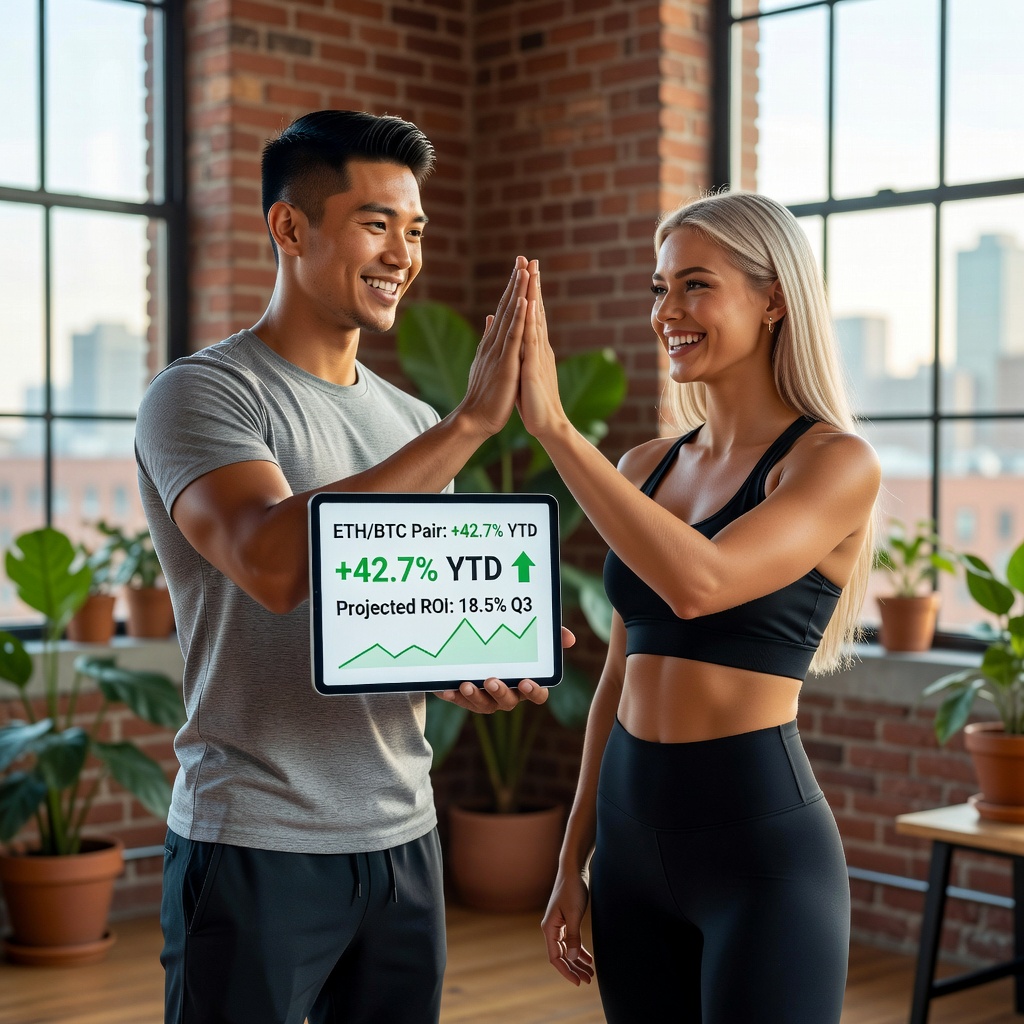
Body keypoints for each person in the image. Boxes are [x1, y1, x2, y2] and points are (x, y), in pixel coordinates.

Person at [135, 110, 569, 1024]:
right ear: (290, 227)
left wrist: (474, 661)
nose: (403, 255)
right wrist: (470, 427)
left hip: (403, 839)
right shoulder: (204, 393)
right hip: (255, 837)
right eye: (377, 223)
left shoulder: (411, 424)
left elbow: (395, 619)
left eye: (415, 231)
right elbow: (274, 564)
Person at [519, 190, 881, 1023]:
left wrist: (556, 431)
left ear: (774, 297)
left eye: (695, 285)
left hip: (760, 856)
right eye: (658, 288)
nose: (666, 311)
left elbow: (702, 583)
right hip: (629, 845)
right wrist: (573, 860)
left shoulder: (833, 463)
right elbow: (616, 677)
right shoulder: (645, 464)